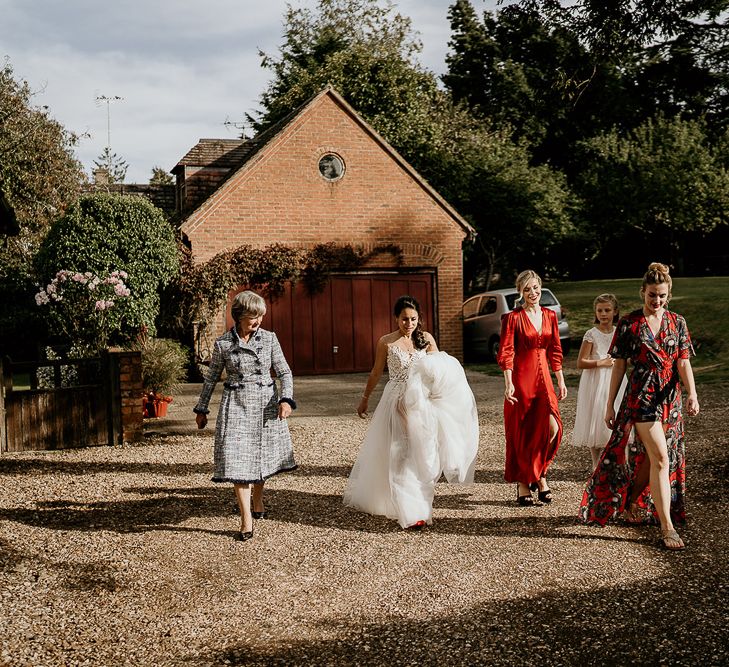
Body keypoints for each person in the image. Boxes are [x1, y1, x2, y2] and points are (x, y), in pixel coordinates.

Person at [578, 263, 700, 551]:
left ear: (668, 294)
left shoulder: (677, 322)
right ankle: (666, 526)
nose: (656, 301)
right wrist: (610, 404)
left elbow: (683, 362)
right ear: (642, 292)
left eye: (661, 296)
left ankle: (632, 498)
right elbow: (619, 365)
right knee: (660, 455)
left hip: (670, 399)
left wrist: (692, 394)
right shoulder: (630, 323)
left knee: (653, 458)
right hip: (641, 397)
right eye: (651, 295)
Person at [343, 295, 479, 529]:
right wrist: (365, 399)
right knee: (402, 452)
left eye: (413, 319)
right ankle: (409, 509)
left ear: (419, 319)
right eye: (404, 319)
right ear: (396, 318)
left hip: (422, 403)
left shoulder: (426, 339)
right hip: (396, 401)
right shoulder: (386, 342)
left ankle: (420, 506)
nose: (409, 323)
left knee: (423, 453)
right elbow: (376, 372)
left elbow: (441, 371)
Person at [194, 290, 297, 542]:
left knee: (261, 455)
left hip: (266, 405)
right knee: (237, 458)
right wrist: (202, 408)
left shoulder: (270, 339)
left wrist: (286, 399)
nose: (258, 321)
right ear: (239, 316)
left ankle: (258, 500)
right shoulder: (223, 344)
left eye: (260, 316)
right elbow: (211, 379)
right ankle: (246, 519)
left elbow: (284, 372)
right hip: (236, 406)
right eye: (253, 316)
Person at [497, 270, 567, 506]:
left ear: (540, 288)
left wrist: (560, 379)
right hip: (522, 379)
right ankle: (526, 484)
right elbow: (506, 352)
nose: (533, 293)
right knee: (525, 432)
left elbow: (555, 350)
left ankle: (539, 472)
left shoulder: (549, 315)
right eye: (527, 289)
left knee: (553, 428)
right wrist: (508, 384)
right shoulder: (513, 318)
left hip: (544, 379)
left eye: (536, 288)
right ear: (521, 292)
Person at [572, 294, 628, 469]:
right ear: (595, 312)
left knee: (618, 414)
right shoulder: (591, 334)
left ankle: (618, 460)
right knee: (595, 417)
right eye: (600, 310)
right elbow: (581, 362)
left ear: (615, 311)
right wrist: (600, 362)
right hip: (595, 380)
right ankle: (596, 463)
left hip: (616, 378)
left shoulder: (619, 332)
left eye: (607, 310)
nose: (603, 314)